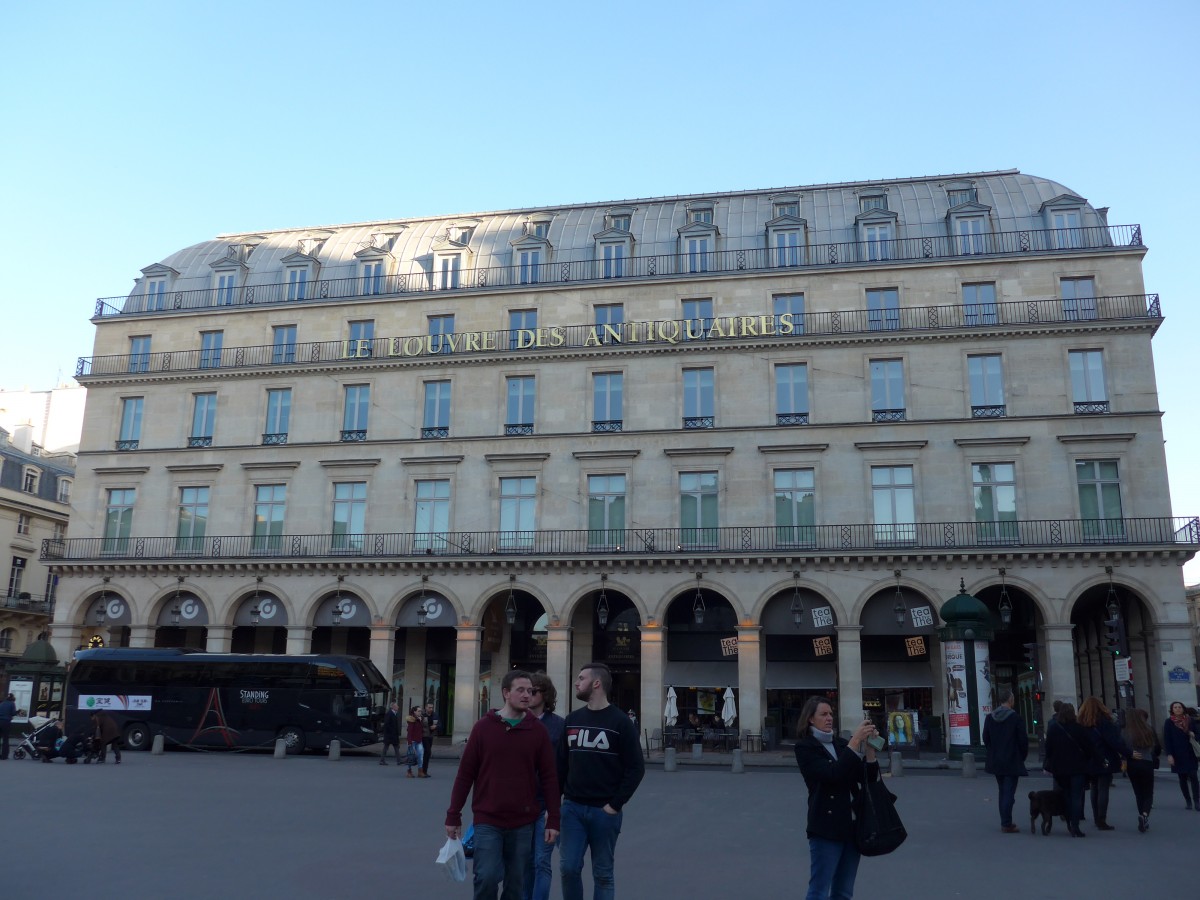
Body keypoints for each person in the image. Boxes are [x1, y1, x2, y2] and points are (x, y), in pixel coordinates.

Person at [445, 670, 560, 900]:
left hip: (523, 822)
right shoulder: (483, 728)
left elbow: (549, 776)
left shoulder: (537, 731)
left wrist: (554, 819)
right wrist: (453, 815)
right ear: (506, 693)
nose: (527, 695)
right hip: (488, 820)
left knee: (516, 884)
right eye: (521, 690)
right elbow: (465, 774)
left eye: (530, 691)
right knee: (486, 877)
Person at [558, 662, 645, 900]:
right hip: (572, 809)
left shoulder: (620, 722)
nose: (577, 682)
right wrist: (553, 804)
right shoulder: (572, 720)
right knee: (568, 869)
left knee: (603, 874)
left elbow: (636, 767)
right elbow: (561, 765)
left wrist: (615, 805)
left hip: (604, 811)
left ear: (596, 683)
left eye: (581, 678)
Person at [794, 696, 879, 899]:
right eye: (823, 714)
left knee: (843, 892)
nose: (829, 718)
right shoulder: (805, 748)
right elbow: (832, 774)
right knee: (819, 891)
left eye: (831, 713)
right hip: (825, 828)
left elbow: (867, 778)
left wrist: (870, 750)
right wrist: (855, 741)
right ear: (810, 719)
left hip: (852, 828)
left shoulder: (841, 744)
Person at [524, 672, 565, 900]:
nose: (528, 695)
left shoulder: (558, 726)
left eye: (534, 691)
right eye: (526, 691)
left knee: (541, 861)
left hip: (545, 805)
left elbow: (561, 768)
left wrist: (555, 806)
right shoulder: (518, 722)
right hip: (520, 804)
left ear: (545, 694)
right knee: (525, 862)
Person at [1042, 702, 1095, 837]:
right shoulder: (1079, 728)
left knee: (1066, 795)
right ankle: (1075, 826)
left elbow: (1048, 749)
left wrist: (1050, 763)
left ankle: (1068, 820)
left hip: (1060, 769)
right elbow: (1089, 747)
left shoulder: (1054, 729)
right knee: (1076, 796)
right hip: (1077, 768)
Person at [982, 688, 1028, 833]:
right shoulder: (1016, 718)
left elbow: (986, 738)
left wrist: (993, 751)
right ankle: (1006, 823)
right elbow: (1023, 741)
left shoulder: (990, 718)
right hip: (1012, 759)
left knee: (1002, 790)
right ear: (1010, 700)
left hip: (996, 760)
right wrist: (1021, 756)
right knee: (1009, 792)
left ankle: (1005, 820)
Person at [1077, 696, 1124, 830]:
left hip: (1089, 759)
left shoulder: (1081, 723)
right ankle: (1101, 819)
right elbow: (1113, 741)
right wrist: (1127, 753)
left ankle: (1096, 816)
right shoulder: (1105, 722)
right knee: (1103, 787)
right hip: (1104, 758)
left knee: (1094, 787)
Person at [1122, 707, 1161, 832]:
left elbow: (1122, 747)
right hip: (1146, 761)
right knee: (1148, 792)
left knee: (1138, 792)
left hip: (1132, 764)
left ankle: (1142, 815)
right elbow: (1156, 748)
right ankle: (1144, 815)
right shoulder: (1149, 729)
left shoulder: (1126, 732)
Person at [1162, 700, 1200, 809]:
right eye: (1175, 707)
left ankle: (1196, 801)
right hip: (1177, 754)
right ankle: (1188, 800)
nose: (1178, 709)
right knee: (1182, 778)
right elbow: (1167, 739)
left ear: (1183, 708)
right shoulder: (1169, 722)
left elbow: (1198, 734)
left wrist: (1194, 735)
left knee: (1193, 776)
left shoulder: (1190, 720)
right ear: (1172, 710)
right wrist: (1169, 755)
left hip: (1190, 753)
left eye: (1179, 707)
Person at [420, 702, 439, 777]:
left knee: (426, 754)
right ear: (426, 707)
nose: (431, 709)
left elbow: (440, 724)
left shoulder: (435, 715)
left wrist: (436, 726)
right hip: (423, 736)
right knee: (427, 752)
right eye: (429, 707)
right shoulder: (422, 715)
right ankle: (422, 771)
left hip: (430, 736)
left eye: (432, 707)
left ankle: (424, 771)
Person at [380, 700, 401, 766]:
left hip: (393, 735)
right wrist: (390, 733)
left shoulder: (395, 713)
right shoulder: (389, 713)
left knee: (396, 747)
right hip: (390, 735)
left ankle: (399, 761)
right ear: (393, 707)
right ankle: (382, 760)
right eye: (396, 706)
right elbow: (387, 724)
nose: (398, 707)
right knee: (386, 748)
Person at [406, 706, 425, 778]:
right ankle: (409, 771)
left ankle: (420, 771)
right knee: (411, 756)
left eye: (420, 711)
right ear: (414, 712)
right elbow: (409, 732)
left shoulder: (420, 719)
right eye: (418, 711)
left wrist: (419, 720)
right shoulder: (411, 719)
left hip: (419, 740)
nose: (420, 712)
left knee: (420, 756)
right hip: (412, 741)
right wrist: (409, 743)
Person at [0, 693, 15, 760]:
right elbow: (13, 713)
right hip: (6, 722)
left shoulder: (2, 703)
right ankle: (4, 756)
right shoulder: (12, 703)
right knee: (5, 739)